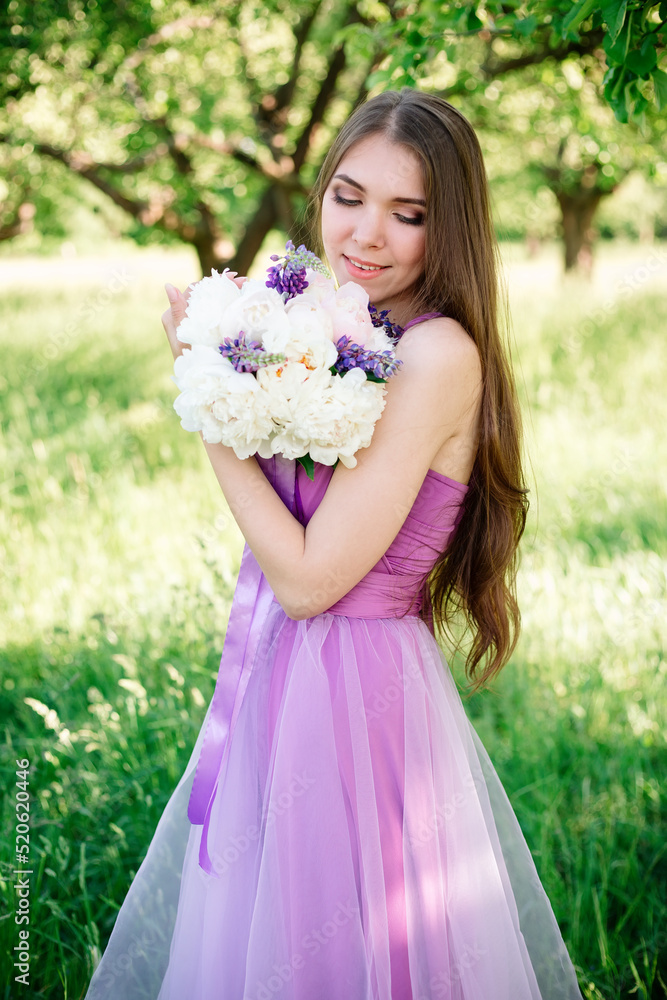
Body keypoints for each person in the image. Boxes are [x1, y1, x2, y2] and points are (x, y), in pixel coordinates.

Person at [84, 89, 583, 999]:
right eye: (348, 196)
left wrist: (206, 399)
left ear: (452, 228)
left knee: (344, 947)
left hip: (356, 686)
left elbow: (312, 578)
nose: (366, 234)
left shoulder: (437, 357)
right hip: (293, 674)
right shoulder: (345, 329)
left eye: (410, 214)